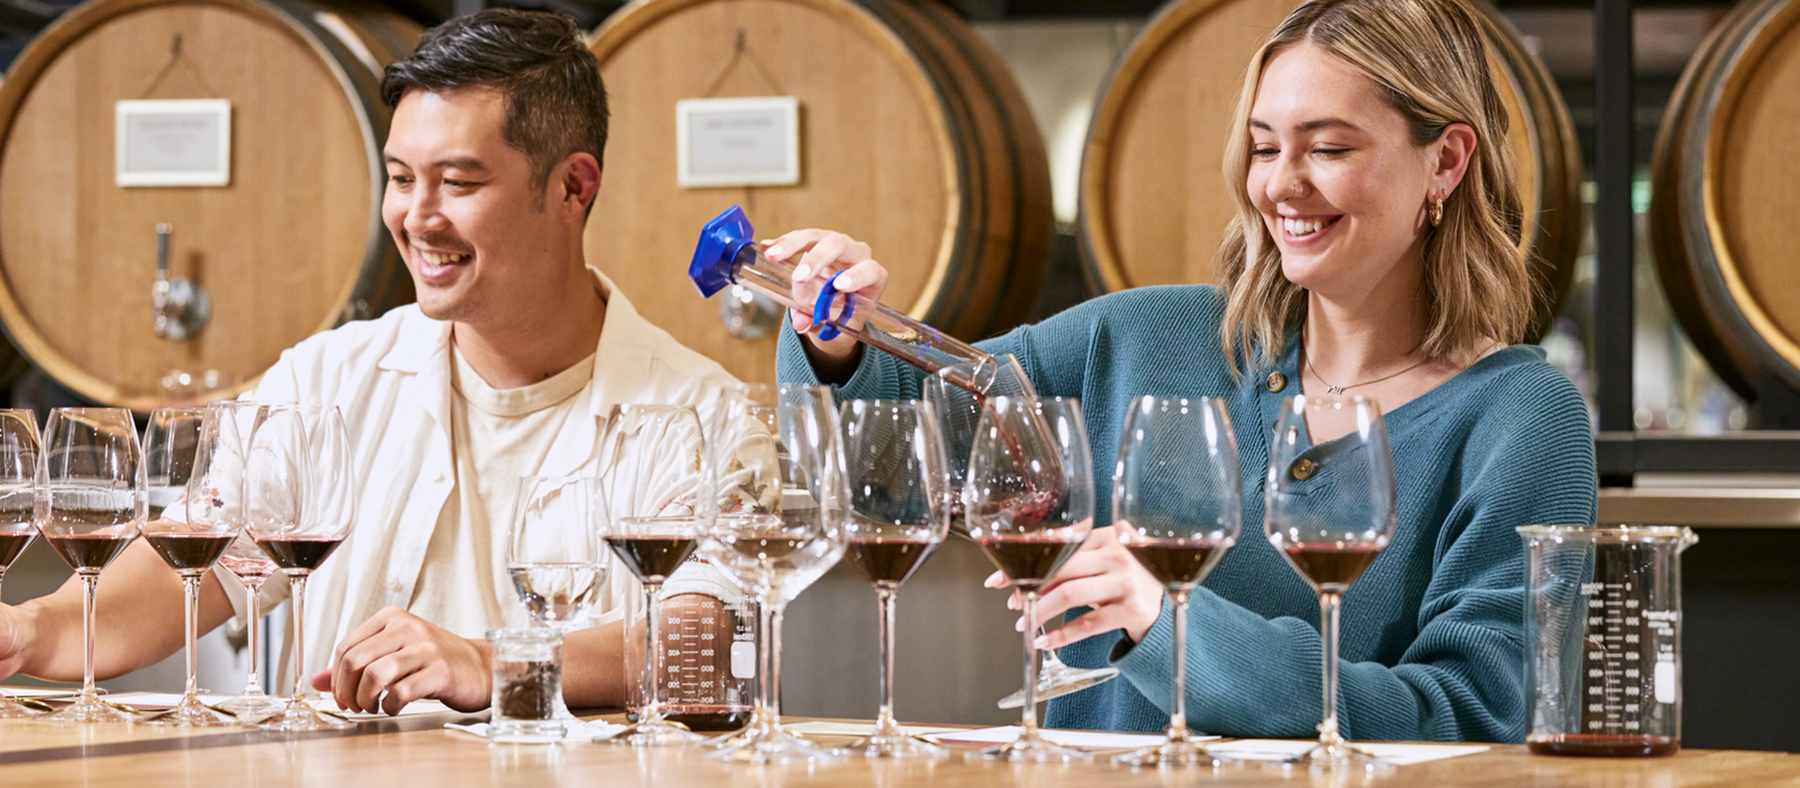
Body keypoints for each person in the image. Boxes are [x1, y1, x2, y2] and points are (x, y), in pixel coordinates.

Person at [769, 0, 1594, 743]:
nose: (1281, 184)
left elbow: (1478, 714)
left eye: (1330, 147)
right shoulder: (1137, 337)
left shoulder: (1520, 419)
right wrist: (836, 337)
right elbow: (877, 459)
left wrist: (1174, 630)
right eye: (1265, 147)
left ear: (1446, 162)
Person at [0, 9, 738, 715]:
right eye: (401, 177)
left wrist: (491, 662)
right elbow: (192, 572)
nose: (416, 218)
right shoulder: (325, 378)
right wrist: (31, 629)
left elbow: (706, 644)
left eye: (458, 182)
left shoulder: (705, 413)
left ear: (573, 187)